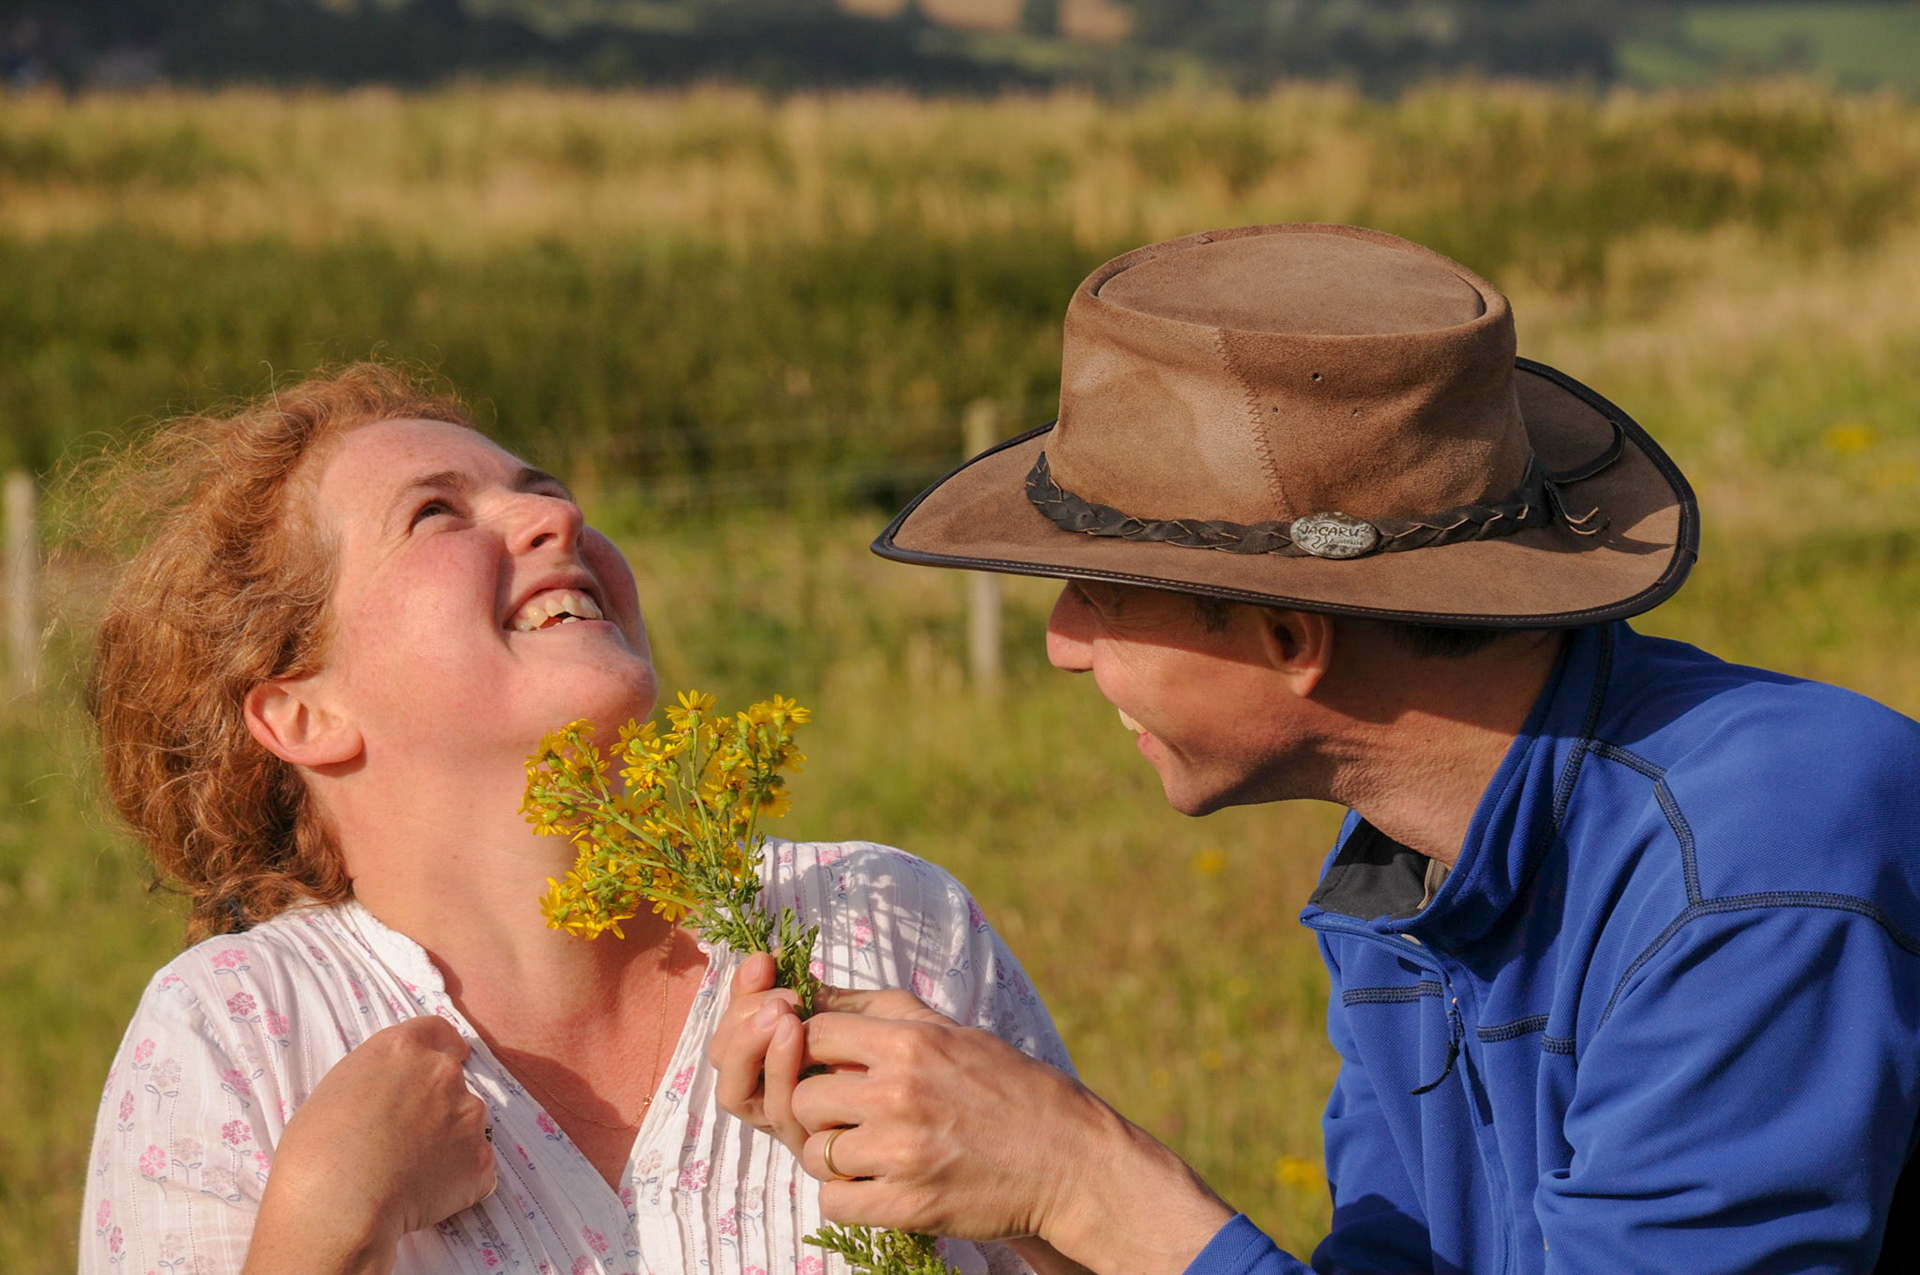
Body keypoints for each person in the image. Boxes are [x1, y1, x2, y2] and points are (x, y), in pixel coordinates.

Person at [710, 224, 1920, 1274]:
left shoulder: (1757, 868)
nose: (1061, 645)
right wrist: (1020, 1202)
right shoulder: (1407, 866)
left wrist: (1083, 1174)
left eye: (1098, 593)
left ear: (1291, 637)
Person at [78, 363, 1070, 1275]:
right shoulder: (234, 1038)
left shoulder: (883, 921)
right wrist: (321, 1223)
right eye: (434, 513)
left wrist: (1038, 1180)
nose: (559, 518)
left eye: (545, 491)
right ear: (303, 714)